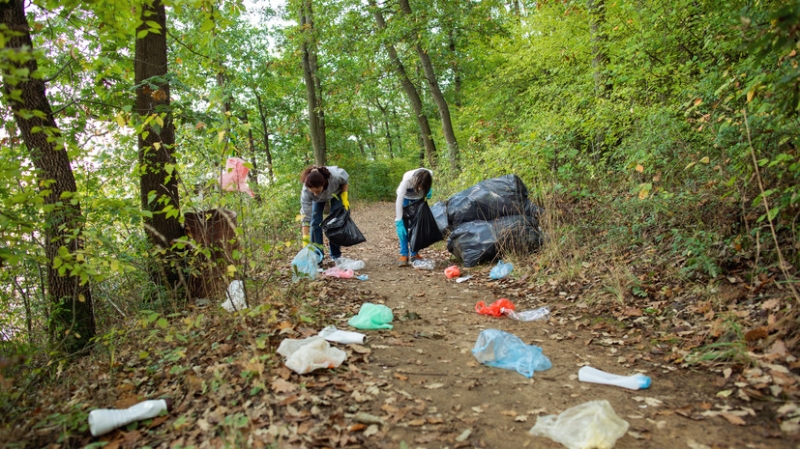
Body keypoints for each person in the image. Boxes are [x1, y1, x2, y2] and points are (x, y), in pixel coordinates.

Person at [300, 165, 350, 262]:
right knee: (315, 223)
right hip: (318, 200)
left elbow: (345, 181)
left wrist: (344, 196)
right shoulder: (306, 191)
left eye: (317, 191)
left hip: (336, 193)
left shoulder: (336, 176)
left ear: (324, 183)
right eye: (312, 192)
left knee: (334, 222)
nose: (315, 194)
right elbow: (306, 216)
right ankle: (317, 257)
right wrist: (305, 238)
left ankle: (336, 255)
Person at [395, 168, 433, 266]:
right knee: (404, 228)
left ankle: (414, 254)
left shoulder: (429, 175)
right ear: (415, 180)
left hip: (418, 200)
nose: (420, 188)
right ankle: (404, 255)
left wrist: (428, 190)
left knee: (417, 227)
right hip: (406, 200)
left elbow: (428, 185)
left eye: (422, 186)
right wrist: (399, 221)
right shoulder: (407, 180)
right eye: (419, 185)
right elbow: (399, 200)